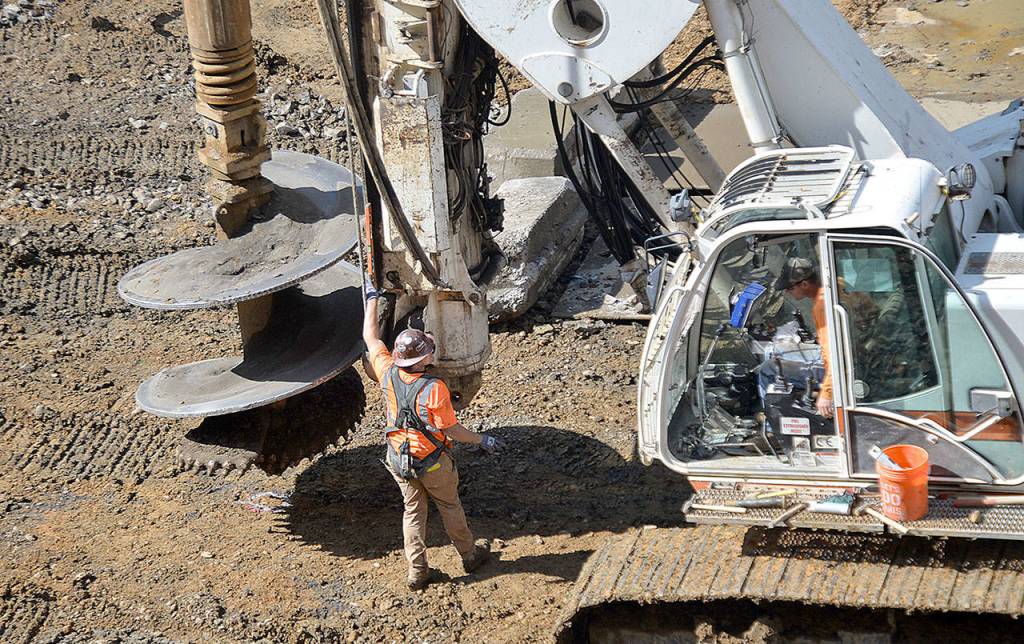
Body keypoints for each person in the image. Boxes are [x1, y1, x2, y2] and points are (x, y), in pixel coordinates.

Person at [362, 282, 504, 590]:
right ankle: (469, 556)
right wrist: (482, 439)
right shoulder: (434, 389)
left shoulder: (386, 371)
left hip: (400, 460)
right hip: (433, 462)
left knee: (413, 514)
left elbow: (371, 337)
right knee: (450, 506)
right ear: (422, 359)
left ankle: (417, 572)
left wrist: (372, 299)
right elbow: (451, 430)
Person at [775, 258, 835, 418]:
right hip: (844, 360)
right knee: (777, 352)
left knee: (769, 368)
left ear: (804, 284)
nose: (787, 292)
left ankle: (771, 425)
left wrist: (827, 393)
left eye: (789, 287)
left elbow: (834, 355)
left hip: (834, 372)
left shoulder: (821, 306)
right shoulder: (837, 285)